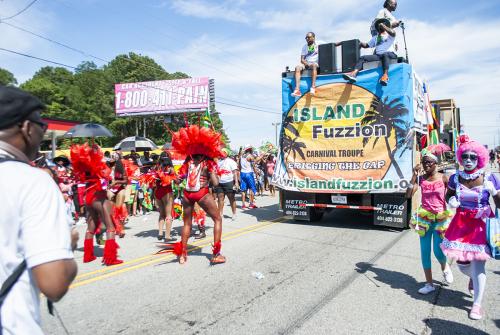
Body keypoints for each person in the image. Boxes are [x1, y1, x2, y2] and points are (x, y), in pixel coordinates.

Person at [0, 86, 78, 334]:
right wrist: (66, 241)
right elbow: (54, 283)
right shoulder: (31, 180)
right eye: (41, 127)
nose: (42, 134)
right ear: (26, 127)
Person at [441, 135, 500, 320]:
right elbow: (447, 195)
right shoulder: (455, 177)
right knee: (461, 264)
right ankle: (472, 278)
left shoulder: (489, 177)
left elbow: (499, 204)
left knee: (479, 266)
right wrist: (451, 201)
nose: (468, 160)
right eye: (465, 156)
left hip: (481, 224)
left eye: (472, 157)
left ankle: (477, 305)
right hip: (460, 224)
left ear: (480, 158)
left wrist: (494, 192)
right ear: (460, 157)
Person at [170, 125, 226, 264]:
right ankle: (216, 254)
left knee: (187, 223)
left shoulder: (188, 161)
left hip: (187, 195)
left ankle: (182, 255)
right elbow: (216, 183)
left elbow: (178, 179)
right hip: (202, 193)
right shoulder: (208, 162)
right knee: (217, 219)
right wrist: (213, 172)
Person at [406, 145, 454, 295]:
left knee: (438, 251)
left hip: (440, 219)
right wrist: (414, 175)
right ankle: (429, 284)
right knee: (425, 252)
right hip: (425, 219)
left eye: (429, 162)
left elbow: (452, 195)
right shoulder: (421, 179)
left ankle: (445, 267)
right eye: (424, 162)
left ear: (435, 163)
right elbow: (408, 194)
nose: (426, 165)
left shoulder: (444, 178)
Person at [71, 142, 124, 265]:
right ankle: (111, 258)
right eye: (99, 151)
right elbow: (106, 175)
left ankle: (88, 255)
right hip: (98, 196)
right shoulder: (98, 164)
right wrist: (109, 167)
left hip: (88, 196)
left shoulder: (84, 166)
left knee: (91, 228)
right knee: (110, 227)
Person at [343, 18, 397, 86]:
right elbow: (367, 45)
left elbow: (393, 33)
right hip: (379, 56)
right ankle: (353, 74)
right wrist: (360, 43)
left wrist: (384, 26)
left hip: (390, 54)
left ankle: (385, 76)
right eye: (378, 25)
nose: (380, 26)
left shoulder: (389, 35)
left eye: (382, 24)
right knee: (363, 58)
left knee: (385, 54)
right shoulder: (376, 37)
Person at [154, 152, 176, 241]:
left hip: (157, 191)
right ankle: (167, 236)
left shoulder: (157, 167)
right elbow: (175, 178)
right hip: (166, 191)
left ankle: (160, 233)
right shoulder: (170, 168)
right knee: (168, 214)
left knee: (161, 214)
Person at [291, 32, 320, 97]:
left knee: (314, 65)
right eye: (306, 38)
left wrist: (339, 43)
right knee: (297, 67)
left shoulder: (319, 43)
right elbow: (302, 60)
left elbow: (331, 44)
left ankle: (313, 87)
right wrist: (306, 64)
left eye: (309, 37)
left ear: (313, 37)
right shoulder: (304, 46)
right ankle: (297, 90)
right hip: (306, 63)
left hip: (314, 63)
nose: (307, 39)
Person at [215, 148, 239, 221]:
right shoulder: (218, 162)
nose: (221, 154)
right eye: (220, 152)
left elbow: (235, 172)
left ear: (226, 153)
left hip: (229, 182)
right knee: (220, 199)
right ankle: (220, 214)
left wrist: (236, 182)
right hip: (220, 182)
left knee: (231, 198)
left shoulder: (231, 161)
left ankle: (234, 213)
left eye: (223, 152)